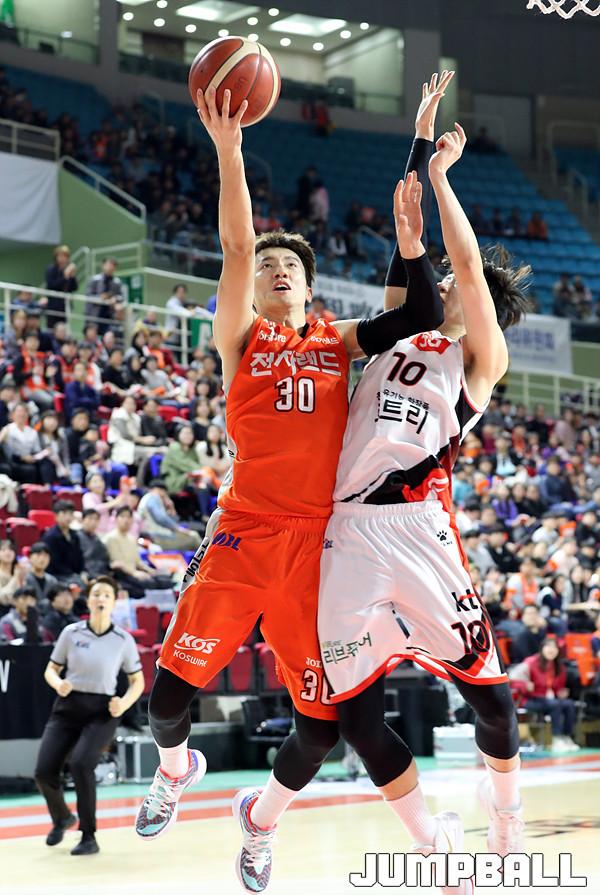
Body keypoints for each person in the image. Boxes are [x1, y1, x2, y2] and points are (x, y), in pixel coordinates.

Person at [134, 72, 447, 867]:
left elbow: (419, 314)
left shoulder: (336, 341)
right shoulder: (241, 338)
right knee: (165, 704)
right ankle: (176, 769)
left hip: (317, 550)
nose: (275, 269)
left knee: (321, 726)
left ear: (309, 286)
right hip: (244, 534)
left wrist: (417, 178)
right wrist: (229, 149)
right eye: (267, 263)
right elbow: (238, 246)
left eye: (289, 265)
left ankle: (262, 818)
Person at [316, 115, 531, 883]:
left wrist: (442, 177)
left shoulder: (480, 358)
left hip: (419, 532)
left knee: (493, 703)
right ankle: (433, 845)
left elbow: (467, 266)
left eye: (449, 286)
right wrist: (416, 150)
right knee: (355, 716)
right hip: (348, 531)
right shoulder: (399, 331)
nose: (439, 285)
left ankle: (506, 817)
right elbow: (404, 251)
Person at [35, 576, 144, 855]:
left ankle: (88, 836)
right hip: (68, 706)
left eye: (107, 594)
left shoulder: (123, 640)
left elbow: (138, 681)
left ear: (114, 602)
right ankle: (62, 817)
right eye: (96, 593)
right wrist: (58, 683)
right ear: (88, 600)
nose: (101, 598)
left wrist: (124, 703)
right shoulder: (71, 633)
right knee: (44, 771)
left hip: (102, 711)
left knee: (82, 764)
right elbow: (51, 669)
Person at [510, 638, 579, 752]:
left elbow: (557, 687)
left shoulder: (559, 666)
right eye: (548, 647)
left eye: (554, 647)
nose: (551, 650)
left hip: (549, 699)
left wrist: (560, 692)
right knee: (555, 704)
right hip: (530, 699)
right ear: (542, 648)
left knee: (569, 704)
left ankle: (567, 737)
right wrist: (525, 685)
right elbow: (512, 679)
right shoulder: (530, 662)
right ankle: (556, 738)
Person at [103, 506, 171, 599]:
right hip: (122, 575)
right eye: (122, 516)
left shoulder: (131, 538)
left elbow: (138, 562)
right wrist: (135, 573)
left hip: (135, 573)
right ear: (116, 519)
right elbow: (117, 563)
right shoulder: (110, 538)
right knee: (150, 584)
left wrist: (152, 571)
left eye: (129, 517)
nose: (126, 520)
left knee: (165, 580)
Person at [138, 479, 202, 552]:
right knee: (194, 536)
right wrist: (177, 528)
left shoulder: (148, 498)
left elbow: (173, 520)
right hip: (156, 538)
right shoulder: (153, 497)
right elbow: (160, 518)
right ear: (160, 490)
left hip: (157, 536)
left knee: (191, 535)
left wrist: (171, 508)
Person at [43, 501, 85, 586]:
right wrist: (73, 575)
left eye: (70, 514)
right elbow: (54, 563)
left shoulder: (75, 535)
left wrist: (83, 572)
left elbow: (80, 557)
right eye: (64, 513)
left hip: (73, 575)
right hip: (57, 576)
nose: (68, 517)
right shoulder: (50, 537)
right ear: (56, 516)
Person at [84, 258, 124, 335]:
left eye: (112, 265)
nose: (110, 267)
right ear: (103, 266)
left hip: (109, 316)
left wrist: (115, 299)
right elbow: (88, 296)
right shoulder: (95, 280)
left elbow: (121, 296)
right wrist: (100, 298)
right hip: (95, 314)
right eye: (108, 265)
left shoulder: (117, 282)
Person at [45, 245, 77, 329]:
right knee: (51, 328)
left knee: (64, 328)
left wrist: (72, 277)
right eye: (60, 256)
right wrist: (65, 276)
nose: (62, 258)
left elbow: (74, 287)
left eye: (65, 256)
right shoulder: (51, 269)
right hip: (53, 304)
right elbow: (51, 285)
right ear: (56, 257)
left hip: (65, 305)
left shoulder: (68, 270)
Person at [78, 509, 111, 578]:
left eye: (96, 519)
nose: (93, 522)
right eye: (90, 518)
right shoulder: (76, 538)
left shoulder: (98, 540)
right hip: (85, 574)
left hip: (101, 573)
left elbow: (105, 559)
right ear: (82, 520)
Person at [25, 542, 58, 607]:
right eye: (38, 555)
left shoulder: (52, 580)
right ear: (30, 557)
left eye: (46, 556)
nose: (42, 559)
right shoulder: (24, 578)